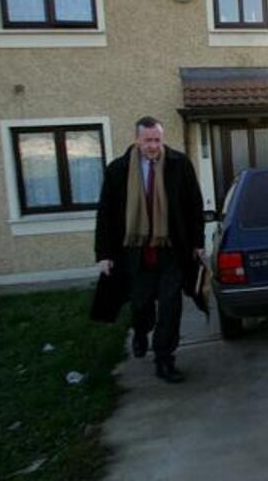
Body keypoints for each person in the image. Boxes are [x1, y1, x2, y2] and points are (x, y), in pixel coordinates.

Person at [95, 116, 205, 384]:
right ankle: (141, 330)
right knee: (141, 304)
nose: (153, 146)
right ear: (137, 140)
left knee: (171, 306)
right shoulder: (118, 170)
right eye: (148, 141)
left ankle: (164, 359)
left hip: (171, 250)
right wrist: (104, 253)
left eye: (157, 140)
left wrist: (198, 243)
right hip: (135, 251)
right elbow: (106, 214)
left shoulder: (179, 164)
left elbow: (194, 206)